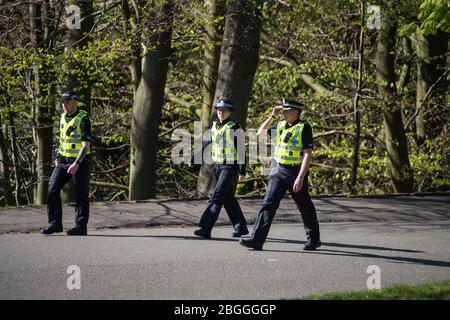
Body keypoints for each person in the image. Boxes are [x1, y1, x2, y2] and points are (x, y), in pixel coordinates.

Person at [239, 98, 321, 251]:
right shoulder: (281, 125)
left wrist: (301, 177)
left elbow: (307, 154)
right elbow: (260, 134)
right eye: (283, 110)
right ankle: (256, 240)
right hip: (278, 170)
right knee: (268, 204)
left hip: (295, 171)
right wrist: (272, 116)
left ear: (296, 112)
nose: (283, 112)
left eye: (286, 110)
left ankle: (314, 239)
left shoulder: (304, 127)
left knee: (305, 206)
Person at [191, 98, 249, 239]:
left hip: (230, 168)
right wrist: (194, 158)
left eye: (224, 110)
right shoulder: (215, 127)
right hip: (218, 167)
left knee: (216, 198)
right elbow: (206, 144)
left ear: (229, 112)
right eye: (219, 110)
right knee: (228, 199)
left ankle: (205, 229)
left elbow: (241, 150)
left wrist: (242, 170)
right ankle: (240, 227)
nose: (221, 113)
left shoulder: (234, 127)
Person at [42, 91, 92, 236]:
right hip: (63, 160)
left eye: (67, 102)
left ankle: (81, 226)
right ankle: (55, 223)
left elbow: (85, 145)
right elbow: (62, 139)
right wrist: (57, 156)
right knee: (52, 189)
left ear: (75, 102)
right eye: (63, 102)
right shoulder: (63, 117)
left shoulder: (83, 118)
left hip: (80, 162)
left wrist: (76, 163)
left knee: (81, 194)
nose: (64, 105)